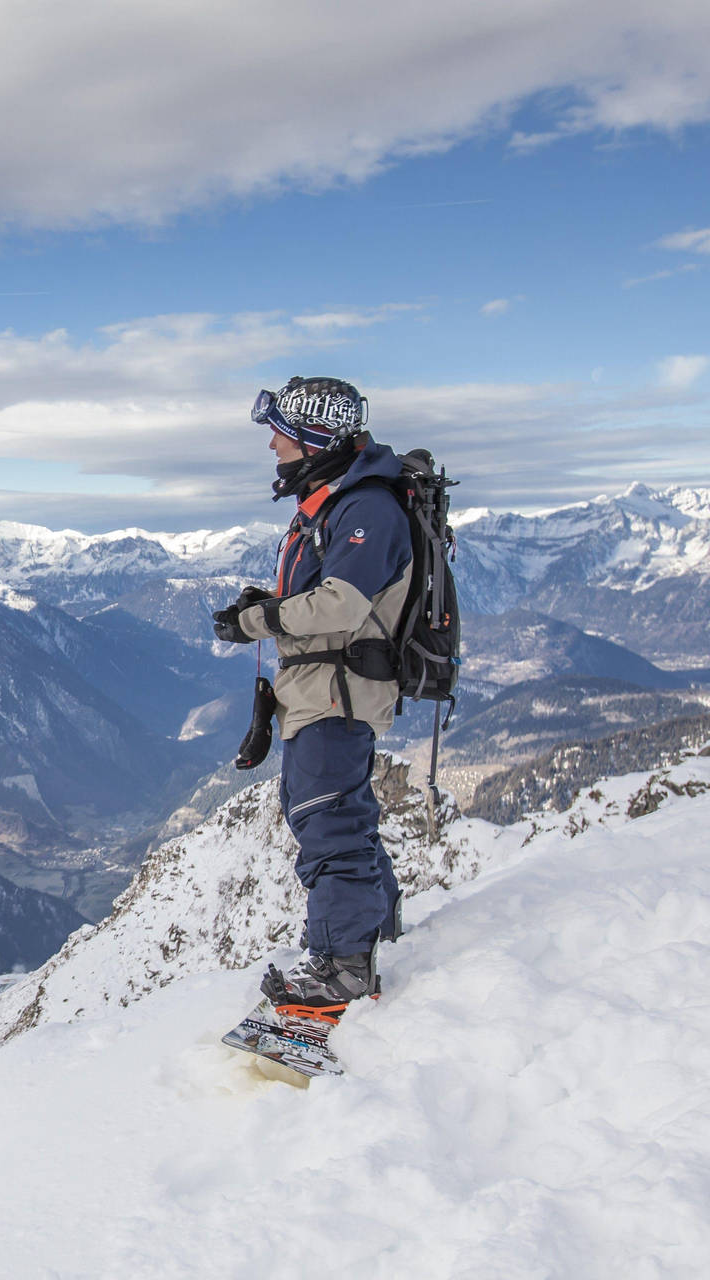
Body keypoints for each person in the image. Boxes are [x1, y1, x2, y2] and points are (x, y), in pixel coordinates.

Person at [211, 376, 411, 1017]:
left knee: (329, 822)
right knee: (334, 811)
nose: (273, 445)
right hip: (320, 692)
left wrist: (256, 622)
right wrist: (270, 607)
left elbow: (342, 604)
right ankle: (377, 932)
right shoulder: (337, 503)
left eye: (284, 434)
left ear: (316, 440)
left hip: (338, 695)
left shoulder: (367, 510)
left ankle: (345, 968)